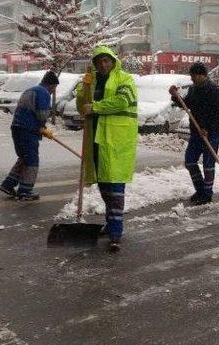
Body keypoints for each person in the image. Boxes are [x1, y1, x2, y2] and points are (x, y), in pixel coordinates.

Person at [77, 45, 139, 251]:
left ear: (113, 61)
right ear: (95, 64)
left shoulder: (125, 79)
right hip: (96, 139)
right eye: (100, 61)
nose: (104, 64)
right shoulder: (91, 81)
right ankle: (111, 223)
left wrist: (95, 107)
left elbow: (123, 101)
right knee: (104, 185)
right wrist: (83, 90)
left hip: (117, 141)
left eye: (107, 60)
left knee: (115, 188)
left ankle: (115, 232)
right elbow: (81, 106)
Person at [169, 62, 219, 206]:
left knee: (208, 164)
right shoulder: (193, 89)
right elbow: (186, 104)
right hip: (196, 133)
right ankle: (200, 190)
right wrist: (175, 96)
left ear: (202, 75)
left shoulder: (214, 90)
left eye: (194, 76)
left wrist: (207, 127)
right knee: (190, 161)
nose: (192, 79)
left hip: (211, 133)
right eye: (191, 76)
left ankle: (207, 194)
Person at [0, 70, 59, 200]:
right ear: (51, 85)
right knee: (31, 161)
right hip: (28, 130)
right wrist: (43, 126)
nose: (53, 91)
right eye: (54, 88)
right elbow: (42, 114)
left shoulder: (31, 90)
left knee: (24, 158)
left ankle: (8, 184)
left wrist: (42, 128)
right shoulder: (43, 92)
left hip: (17, 128)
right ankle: (25, 191)